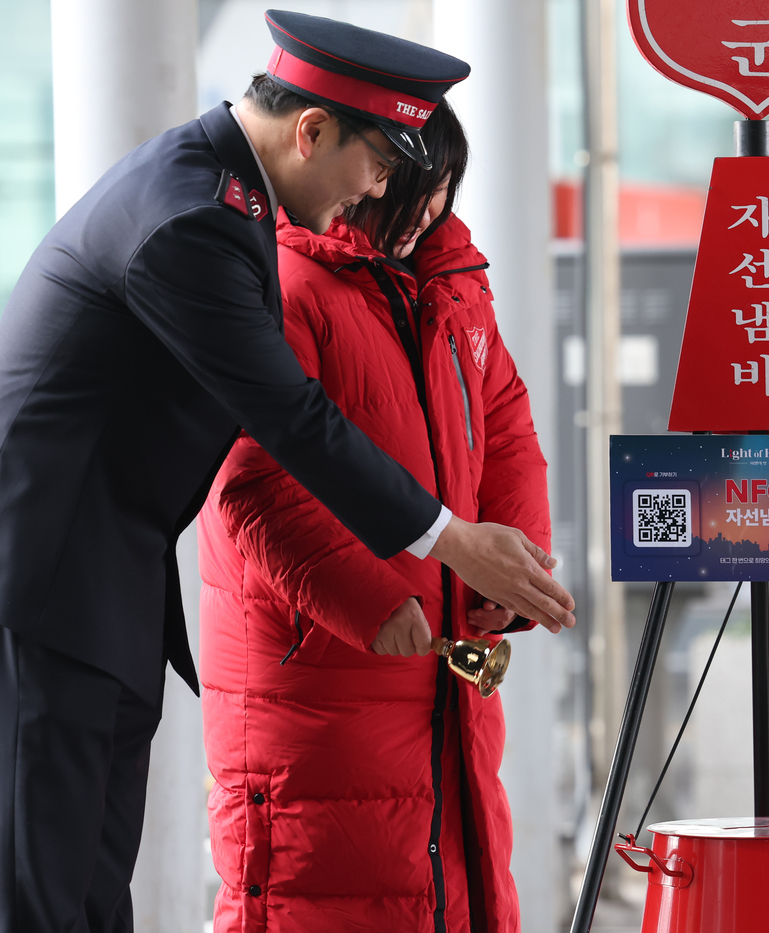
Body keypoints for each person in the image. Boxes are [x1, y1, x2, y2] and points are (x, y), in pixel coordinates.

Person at [0, 11, 572, 932]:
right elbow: (287, 425)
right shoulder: (193, 220)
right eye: (379, 166)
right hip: (47, 586)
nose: (381, 190)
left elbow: (499, 416)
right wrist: (451, 541)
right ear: (312, 132)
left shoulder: (222, 201)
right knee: (43, 885)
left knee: (91, 881)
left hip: (99, 582)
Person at [199, 98, 541, 933]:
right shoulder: (284, 283)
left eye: (442, 196)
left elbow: (503, 420)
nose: (426, 214)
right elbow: (248, 477)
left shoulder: (453, 287)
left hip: (441, 662)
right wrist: (372, 600)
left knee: (447, 883)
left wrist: (511, 568)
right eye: (408, 188)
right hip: (319, 667)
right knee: (322, 890)